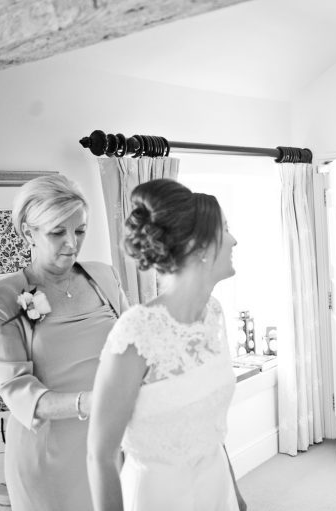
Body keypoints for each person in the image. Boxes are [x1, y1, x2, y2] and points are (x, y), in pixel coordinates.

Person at [87, 178, 243, 511]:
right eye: (226, 229)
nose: (234, 240)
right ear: (200, 248)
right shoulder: (137, 332)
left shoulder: (214, 314)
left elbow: (211, 429)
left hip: (216, 489)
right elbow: (100, 455)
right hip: (158, 497)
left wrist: (237, 498)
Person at [0, 174, 129, 511]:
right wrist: (91, 403)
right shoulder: (1, 298)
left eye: (80, 230)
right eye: (57, 232)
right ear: (28, 232)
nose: (72, 244)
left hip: (108, 443)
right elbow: (16, 388)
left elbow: (135, 347)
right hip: (47, 457)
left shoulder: (104, 276)